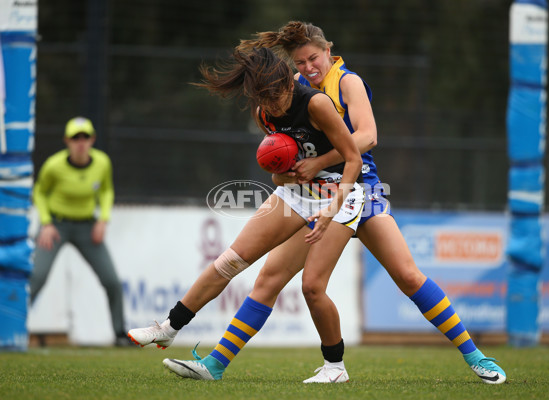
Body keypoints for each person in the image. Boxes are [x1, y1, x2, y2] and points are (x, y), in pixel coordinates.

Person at [163, 21, 506, 384]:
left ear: (328, 50)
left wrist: (319, 163)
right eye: (300, 62)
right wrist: (288, 169)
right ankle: (215, 365)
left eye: (313, 58)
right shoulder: (289, 91)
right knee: (270, 279)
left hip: (360, 189)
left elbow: (368, 137)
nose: (308, 67)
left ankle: (476, 356)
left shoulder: (347, 82)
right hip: (314, 195)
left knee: (407, 275)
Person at [128, 47, 365, 382]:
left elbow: (354, 159)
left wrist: (330, 209)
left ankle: (335, 367)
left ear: (287, 81)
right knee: (231, 261)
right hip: (299, 191)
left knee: (311, 287)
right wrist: (284, 172)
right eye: (264, 98)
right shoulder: (264, 114)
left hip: (343, 191)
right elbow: (279, 176)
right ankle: (168, 327)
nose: (273, 105)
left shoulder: (316, 103)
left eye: (277, 95)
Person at [30, 116, 130, 346]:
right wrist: (46, 223)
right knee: (37, 277)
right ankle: (11, 330)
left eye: (85, 137)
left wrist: (103, 220)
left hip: (87, 226)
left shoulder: (102, 162)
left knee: (112, 280)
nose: (81, 142)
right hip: (56, 226)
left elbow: (106, 191)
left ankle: (119, 333)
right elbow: (40, 192)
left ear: (93, 139)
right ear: (67, 141)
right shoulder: (54, 166)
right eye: (76, 138)